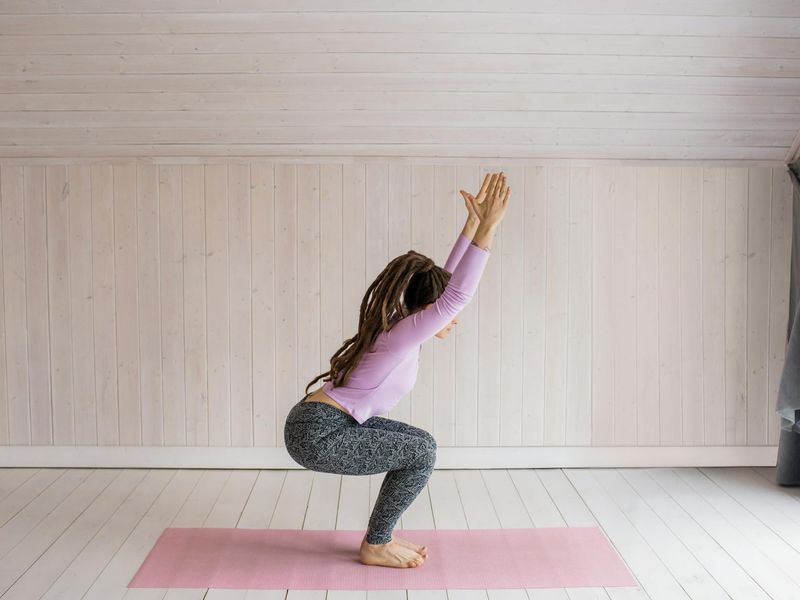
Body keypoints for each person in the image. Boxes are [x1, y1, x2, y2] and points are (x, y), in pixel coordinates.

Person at [284, 171, 511, 568]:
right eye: (445, 313)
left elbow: (447, 286)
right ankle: (376, 544)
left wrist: (471, 224)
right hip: (317, 433)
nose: (453, 319)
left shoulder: (403, 325)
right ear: (428, 310)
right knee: (421, 452)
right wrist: (489, 228)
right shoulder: (403, 333)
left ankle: (378, 537)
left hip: (325, 422)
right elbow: (457, 294)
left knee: (422, 443)